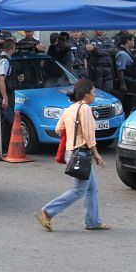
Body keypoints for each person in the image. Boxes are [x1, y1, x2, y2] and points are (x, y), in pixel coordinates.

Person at [35, 79, 109, 232]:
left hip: (72, 153)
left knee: (91, 189)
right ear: (86, 95)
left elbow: (58, 129)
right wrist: (97, 155)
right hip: (81, 154)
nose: (94, 95)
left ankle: (93, 221)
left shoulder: (69, 109)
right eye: (93, 92)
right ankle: (48, 211)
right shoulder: (85, 109)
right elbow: (89, 136)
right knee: (80, 190)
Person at [0, 39, 17, 154]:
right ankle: (0, 149)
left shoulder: (1, 60)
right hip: (5, 96)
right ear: (11, 48)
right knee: (4, 121)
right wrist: (5, 98)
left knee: (2, 121)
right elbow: (1, 80)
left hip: (3, 95)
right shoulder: (4, 62)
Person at [115, 34, 136, 116]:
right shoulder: (122, 54)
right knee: (126, 105)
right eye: (132, 40)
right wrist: (123, 84)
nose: (134, 42)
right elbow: (120, 70)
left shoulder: (128, 52)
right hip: (127, 82)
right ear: (128, 41)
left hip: (132, 82)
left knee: (130, 105)